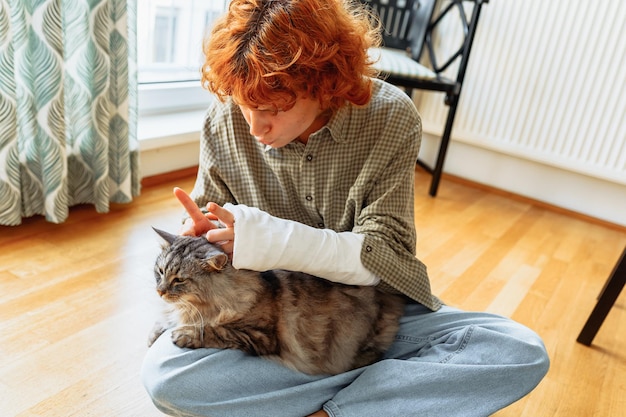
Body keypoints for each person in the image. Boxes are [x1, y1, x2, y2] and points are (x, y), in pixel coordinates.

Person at [141, 0, 550, 416]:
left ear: (323, 85)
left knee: (518, 350)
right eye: (244, 104)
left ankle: (331, 405)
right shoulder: (223, 119)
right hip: (272, 324)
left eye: (274, 109)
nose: (254, 126)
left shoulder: (390, 116)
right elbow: (209, 242)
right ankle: (380, 391)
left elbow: (385, 254)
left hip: (373, 317)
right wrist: (203, 240)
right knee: (167, 377)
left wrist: (279, 243)